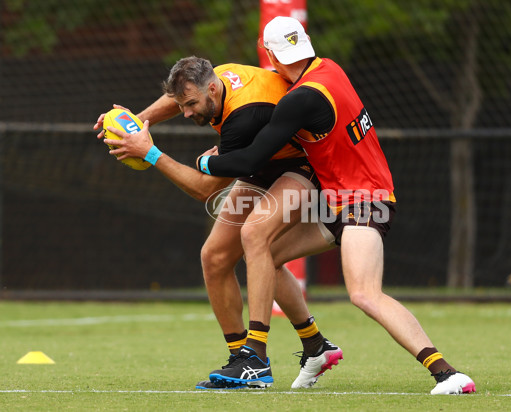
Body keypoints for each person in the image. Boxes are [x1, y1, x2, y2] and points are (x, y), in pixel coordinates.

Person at [191, 16, 476, 394]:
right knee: (264, 252)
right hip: (337, 200)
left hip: (364, 200)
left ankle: (447, 373)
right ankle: (316, 347)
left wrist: (206, 162)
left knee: (363, 294)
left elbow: (248, 161)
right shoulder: (330, 69)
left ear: (272, 56)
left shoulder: (302, 98)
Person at [97, 57, 343, 389]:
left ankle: (255, 359)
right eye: (183, 105)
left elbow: (205, 189)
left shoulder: (242, 119)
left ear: (211, 88)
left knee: (255, 234)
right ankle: (254, 358)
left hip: (301, 163)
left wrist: (150, 152)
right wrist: (138, 122)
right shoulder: (217, 79)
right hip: (262, 162)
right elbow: (177, 98)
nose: (186, 113)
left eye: (192, 105)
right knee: (214, 257)